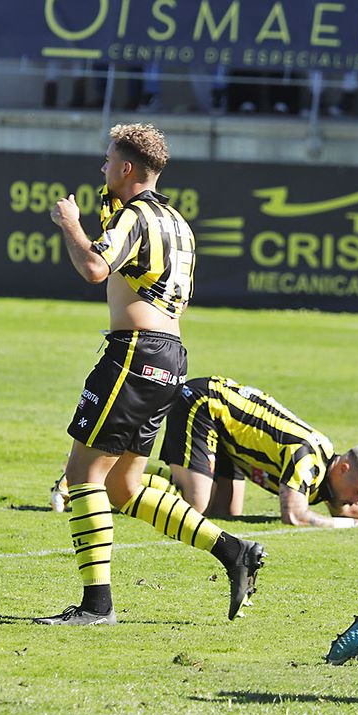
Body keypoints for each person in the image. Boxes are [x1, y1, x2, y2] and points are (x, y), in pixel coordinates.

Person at [39, 123, 265, 626]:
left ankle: (97, 605)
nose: (101, 168)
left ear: (125, 168)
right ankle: (234, 551)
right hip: (169, 354)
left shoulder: (134, 216)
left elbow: (95, 269)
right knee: (124, 488)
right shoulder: (177, 221)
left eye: (107, 160)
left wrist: (70, 224)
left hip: (135, 353)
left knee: (82, 475)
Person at [155, 375, 358, 527]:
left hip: (231, 434)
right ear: (343, 469)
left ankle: (140, 483)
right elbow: (294, 516)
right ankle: (135, 483)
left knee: (224, 515)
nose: (356, 500)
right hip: (206, 405)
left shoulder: (327, 470)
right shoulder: (307, 459)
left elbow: (343, 511)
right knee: (195, 507)